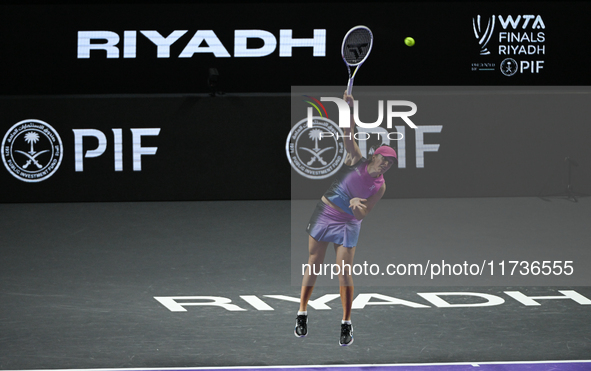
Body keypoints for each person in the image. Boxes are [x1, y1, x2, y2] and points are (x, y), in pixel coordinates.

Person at [295, 91, 397, 346]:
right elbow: (346, 133)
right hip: (325, 211)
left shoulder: (380, 187)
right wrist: (348, 109)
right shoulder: (355, 159)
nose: (386, 165)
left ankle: (346, 323)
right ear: (375, 155)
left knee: (344, 273)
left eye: (391, 163)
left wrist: (356, 207)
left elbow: (365, 213)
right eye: (385, 159)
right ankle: (302, 313)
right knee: (314, 263)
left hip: (349, 223)